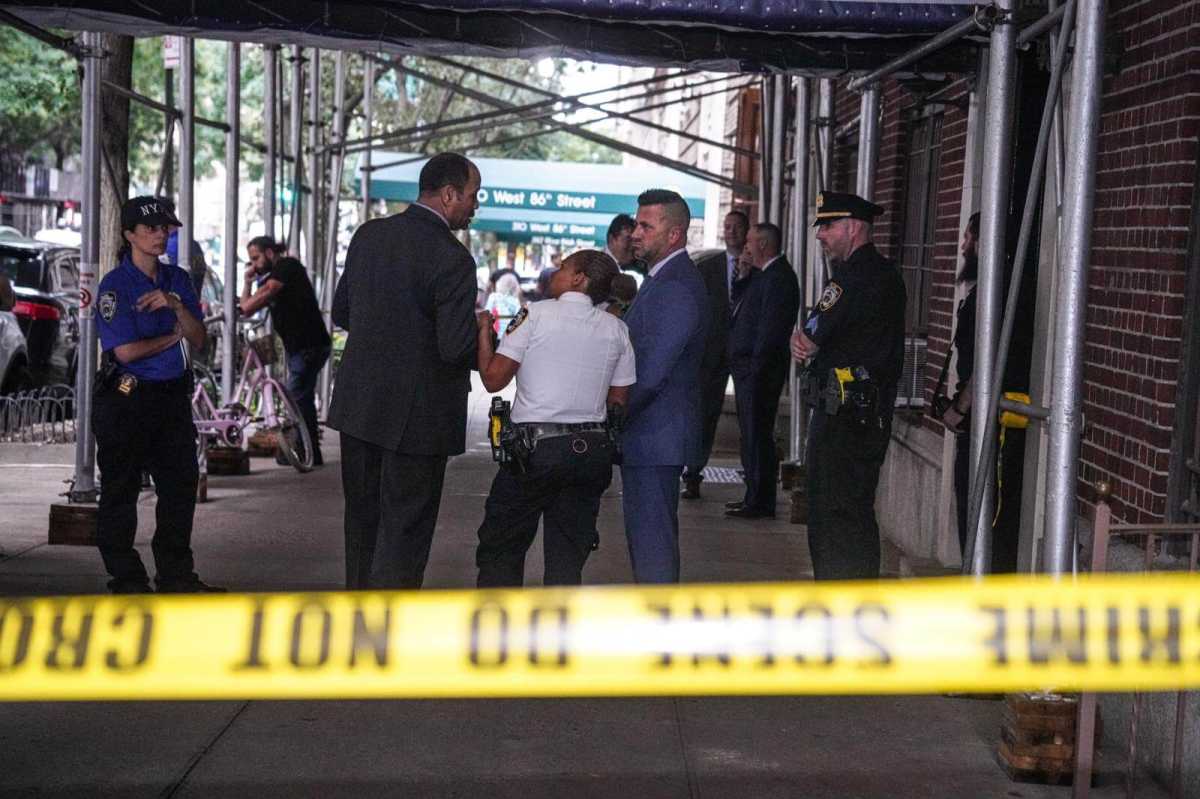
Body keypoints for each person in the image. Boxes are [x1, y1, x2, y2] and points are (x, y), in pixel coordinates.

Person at [328, 152, 481, 589]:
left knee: (362, 523)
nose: (474, 206)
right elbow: (454, 348)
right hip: (419, 419)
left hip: (360, 407)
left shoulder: (369, 236)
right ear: (449, 195)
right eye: (472, 197)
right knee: (405, 531)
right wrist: (484, 335)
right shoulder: (453, 259)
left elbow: (343, 311)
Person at [473, 250, 634, 586]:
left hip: (533, 454)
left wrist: (484, 333)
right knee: (567, 559)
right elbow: (618, 402)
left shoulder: (534, 314)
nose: (554, 274)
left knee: (502, 547)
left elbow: (492, 379)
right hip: (591, 454)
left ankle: (498, 631)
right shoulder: (617, 330)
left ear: (579, 278)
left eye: (563, 268)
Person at [93, 196, 222, 593]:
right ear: (129, 234)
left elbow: (199, 338)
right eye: (151, 229)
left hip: (170, 398)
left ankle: (176, 574)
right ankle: (126, 575)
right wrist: (172, 335)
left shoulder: (177, 281)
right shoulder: (115, 286)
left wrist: (174, 306)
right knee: (121, 488)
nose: (160, 235)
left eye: (165, 228)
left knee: (180, 485)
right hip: (128, 397)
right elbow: (126, 352)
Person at [791, 192, 905, 580]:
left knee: (838, 513)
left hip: (849, 419)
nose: (821, 235)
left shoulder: (855, 277)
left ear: (852, 227)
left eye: (827, 226)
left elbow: (811, 336)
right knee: (840, 510)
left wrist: (807, 339)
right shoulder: (875, 274)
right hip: (851, 415)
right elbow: (810, 336)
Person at [620, 189, 708, 583]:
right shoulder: (659, 279)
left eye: (645, 226)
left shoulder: (676, 285)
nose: (634, 233)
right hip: (649, 437)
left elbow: (652, 371)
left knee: (652, 545)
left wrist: (614, 410)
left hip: (655, 436)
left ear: (674, 235)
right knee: (645, 542)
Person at [936, 212, 1031, 573]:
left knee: (982, 509)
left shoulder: (995, 293)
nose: (963, 246)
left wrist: (959, 409)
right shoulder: (992, 288)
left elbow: (986, 361)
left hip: (990, 421)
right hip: (984, 416)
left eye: (968, 238)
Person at [726, 222, 800, 519]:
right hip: (747, 370)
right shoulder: (762, 275)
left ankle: (760, 500)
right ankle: (752, 495)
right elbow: (743, 306)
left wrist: (754, 369)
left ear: (763, 245)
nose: (745, 247)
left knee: (758, 436)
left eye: (750, 242)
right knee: (750, 435)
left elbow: (770, 331)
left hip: (760, 373)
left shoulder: (780, 277)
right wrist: (743, 276)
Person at [239, 236, 331, 466]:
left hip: (309, 345)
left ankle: (303, 448)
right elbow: (247, 307)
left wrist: (249, 295)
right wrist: (248, 282)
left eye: (256, 258)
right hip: (301, 347)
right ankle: (309, 451)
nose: (254, 265)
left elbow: (248, 306)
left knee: (294, 396)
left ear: (270, 253)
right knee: (302, 399)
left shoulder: (287, 268)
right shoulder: (270, 276)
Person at [682, 209, 750, 499]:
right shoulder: (708, 267)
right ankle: (694, 472)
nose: (731, 231)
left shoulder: (756, 267)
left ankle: (753, 477)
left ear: (746, 231)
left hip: (746, 352)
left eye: (736, 227)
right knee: (705, 412)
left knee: (750, 414)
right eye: (727, 226)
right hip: (712, 353)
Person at [483, 272, 523, 338]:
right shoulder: (516, 300)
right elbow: (518, 319)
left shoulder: (493, 297)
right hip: (509, 335)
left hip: (495, 333)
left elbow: (486, 312)